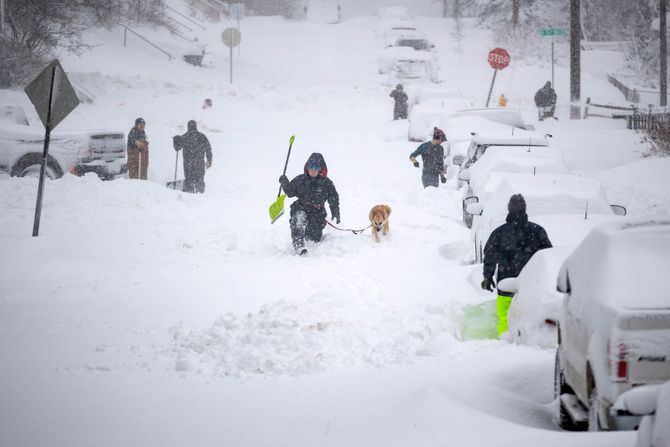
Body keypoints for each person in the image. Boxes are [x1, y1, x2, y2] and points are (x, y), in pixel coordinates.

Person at [481, 194, 553, 337]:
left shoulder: (499, 233)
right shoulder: (537, 231)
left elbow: (489, 255)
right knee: (530, 322)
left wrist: (487, 276)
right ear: (525, 209)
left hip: (505, 285)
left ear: (508, 210)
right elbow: (548, 257)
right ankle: (529, 347)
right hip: (531, 288)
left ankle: (504, 345)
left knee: (505, 320)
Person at [279, 153, 340, 255]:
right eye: (310, 167)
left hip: (317, 213)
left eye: (315, 167)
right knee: (299, 218)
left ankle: (307, 236)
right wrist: (285, 183)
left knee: (313, 239)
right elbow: (290, 192)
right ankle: (299, 244)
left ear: (320, 169)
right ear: (306, 167)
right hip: (301, 207)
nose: (312, 170)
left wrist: (335, 212)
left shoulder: (326, 183)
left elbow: (333, 198)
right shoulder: (301, 179)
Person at [173, 120, 213, 194]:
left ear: (188, 127)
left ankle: (189, 196)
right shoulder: (201, 136)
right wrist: (209, 160)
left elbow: (177, 148)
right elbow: (208, 148)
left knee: (189, 181)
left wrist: (176, 140)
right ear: (196, 126)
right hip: (199, 163)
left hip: (188, 164)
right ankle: (200, 195)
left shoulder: (185, 137)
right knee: (200, 180)